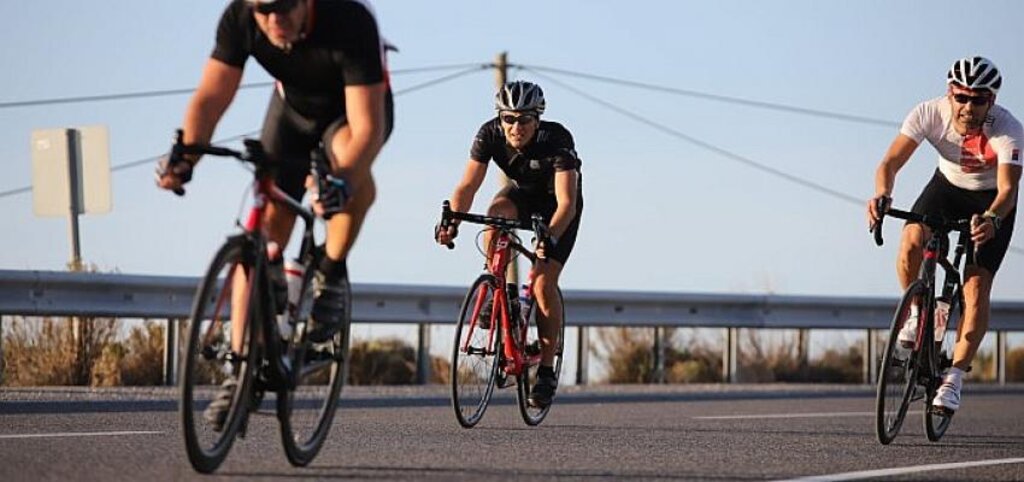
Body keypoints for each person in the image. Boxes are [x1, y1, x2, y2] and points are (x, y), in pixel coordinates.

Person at [157, 0, 393, 428]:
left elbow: (368, 130)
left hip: (352, 115)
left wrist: (340, 183)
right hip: (292, 113)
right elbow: (211, 97)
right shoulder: (241, 19)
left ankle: (331, 271)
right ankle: (241, 369)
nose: (272, 20)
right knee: (265, 231)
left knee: (346, 177)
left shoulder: (348, 18)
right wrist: (186, 157)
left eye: (282, 7)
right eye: (262, 10)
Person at [867, 56, 1022, 414]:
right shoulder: (928, 113)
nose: (968, 106)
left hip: (990, 202)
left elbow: (1007, 191)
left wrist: (992, 220)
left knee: (976, 286)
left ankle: (954, 378)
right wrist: (882, 194)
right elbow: (889, 163)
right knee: (910, 244)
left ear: (991, 101)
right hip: (946, 188)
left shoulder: (1009, 130)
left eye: (978, 99)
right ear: (950, 94)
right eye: (961, 97)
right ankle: (917, 312)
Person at [436, 80, 583, 408]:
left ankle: (545, 371)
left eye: (525, 119)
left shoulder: (557, 139)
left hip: (557, 207)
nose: (516, 127)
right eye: (509, 119)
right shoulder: (489, 134)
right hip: (521, 196)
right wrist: (452, 222)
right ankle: (497, 287)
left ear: (537, 119)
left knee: (544, 284)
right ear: (500, 118)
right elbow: (467, 185)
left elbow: (566, 203)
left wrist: (550, 236)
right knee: (494, 213)